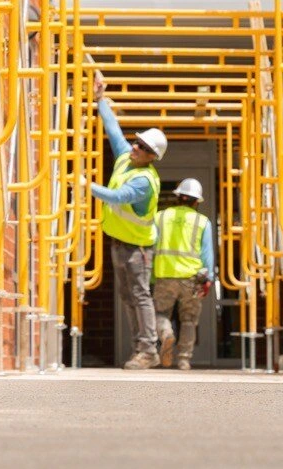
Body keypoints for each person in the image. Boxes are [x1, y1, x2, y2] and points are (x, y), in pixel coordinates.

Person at [90, 78, 167, 370]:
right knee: (127, 296)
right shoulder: (125, 158)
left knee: (140, 296)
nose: (135, 147)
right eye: (137, 142)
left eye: (142, 147)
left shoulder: (145, 181)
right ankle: (142, 348)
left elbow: (119, 196)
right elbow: (112, 130)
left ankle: (148, 350)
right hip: (120, 242)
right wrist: (101, 100)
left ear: (152, 157)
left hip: (138, 248)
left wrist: (87, 186)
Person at [152, 178, 214, 370]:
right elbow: (207, 253)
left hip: (165, 275)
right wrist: (209, 278)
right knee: (189, 320)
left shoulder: (160, 217)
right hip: (192, 278)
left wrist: (150, 276)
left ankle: (166, 334)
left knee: (160, 313)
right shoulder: (202, 222)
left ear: (178, 197)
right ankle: (184, 359)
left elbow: (151, 246)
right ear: (196, 202)